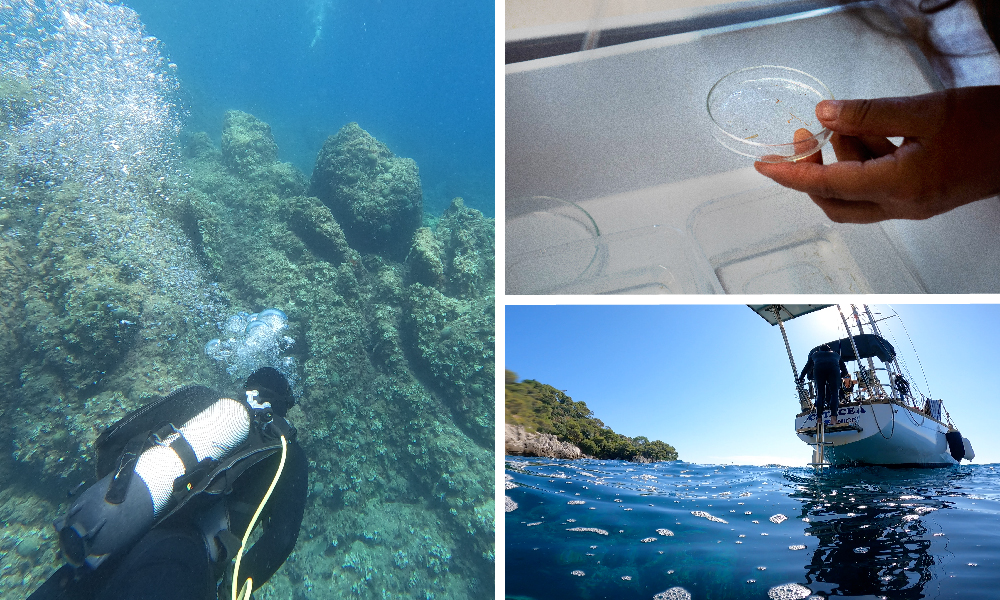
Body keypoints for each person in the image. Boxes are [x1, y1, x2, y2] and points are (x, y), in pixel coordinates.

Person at [27, 367, 308, 600]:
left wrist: (104, 504)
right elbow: (280, 541)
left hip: (114, 533)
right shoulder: (287, 451)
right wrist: (229, 590)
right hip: (181, 559)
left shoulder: (200, 400)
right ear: (283, 405)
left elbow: (121, 439)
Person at [798, 344, 849, 428]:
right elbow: (845, 371)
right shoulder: (836, 354)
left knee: (820, 394)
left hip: (818, 369)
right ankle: (833, 419)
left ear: (819, 350)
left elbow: (807, 367)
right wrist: (839, 378)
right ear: (830, 350)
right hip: (833, 369)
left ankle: (819, 420)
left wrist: (801, 378)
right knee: (834, 393)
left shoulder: (815, 354)